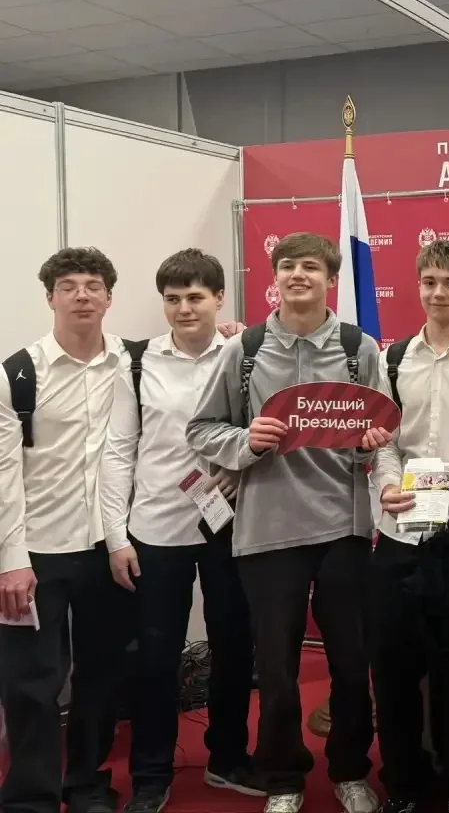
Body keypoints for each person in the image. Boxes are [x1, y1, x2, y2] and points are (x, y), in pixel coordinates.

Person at [187, 231, 398, 813]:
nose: (297, 275)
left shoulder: (359, 349)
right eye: (287, 265)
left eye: (310, 266)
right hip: (267, 529)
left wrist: (371, 442)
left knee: (351, 665)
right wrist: (246, 440)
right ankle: (283, 779)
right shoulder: (245, 349)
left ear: (331, 279)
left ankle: (350, 770)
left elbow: (381, 434)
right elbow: (201, 430)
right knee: (277, 670)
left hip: (344, 529)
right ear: (274, 277)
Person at [99, 249, 261, 813]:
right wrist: (116, 536)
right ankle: (150, 774)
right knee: (156, 654)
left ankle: (228, 758)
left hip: (228, 522)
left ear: (219, 298)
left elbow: (262, 432)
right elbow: (119, 451)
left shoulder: (245, 354)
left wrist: (242, 469)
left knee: (234, 647)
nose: (184, 308)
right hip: (156, 527)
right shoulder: (137, 363)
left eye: (196, 297)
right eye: (173, 299)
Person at [0, 248, 135, 813]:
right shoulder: (17, 374)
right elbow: (4, 473)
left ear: (108, 297)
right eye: (69, 286)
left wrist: (230, 332)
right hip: (36, 551)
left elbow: (192, 354)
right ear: (49, 297)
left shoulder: (131, 363)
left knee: (100, 675)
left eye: (93, 285)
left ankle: (85, 783)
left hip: (106, 548)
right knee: (30, 681)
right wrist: (11, 558)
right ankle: (31, 797)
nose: (82, 294)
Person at [372, 239, 449, 813]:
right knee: (394, 671)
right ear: (417, 285)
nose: (438, 292)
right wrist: (386, 488)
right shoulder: (392, 359)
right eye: (429, 282)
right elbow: (385, 442)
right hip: (401, 536)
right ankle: (403, 785)